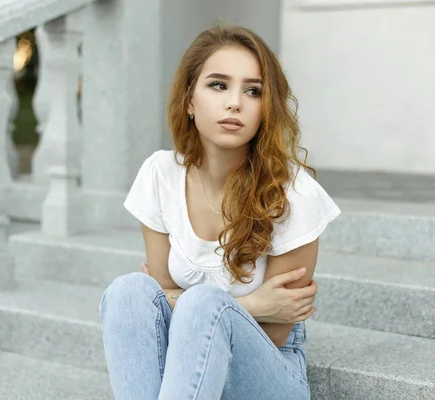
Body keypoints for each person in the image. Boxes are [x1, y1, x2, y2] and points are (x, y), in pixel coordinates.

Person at [99, 24, 340, 400]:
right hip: (189, 372)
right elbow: (157, 293)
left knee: (199, 302)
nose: (235, 103)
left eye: (253, 91)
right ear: (189, 100)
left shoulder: (292, 193)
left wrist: (192, 302)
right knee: (127, 292)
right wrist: (253, 304)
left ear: (266, 108)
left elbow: (277, 328)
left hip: (268, 370)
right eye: (218, 85)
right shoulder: (161, 175)